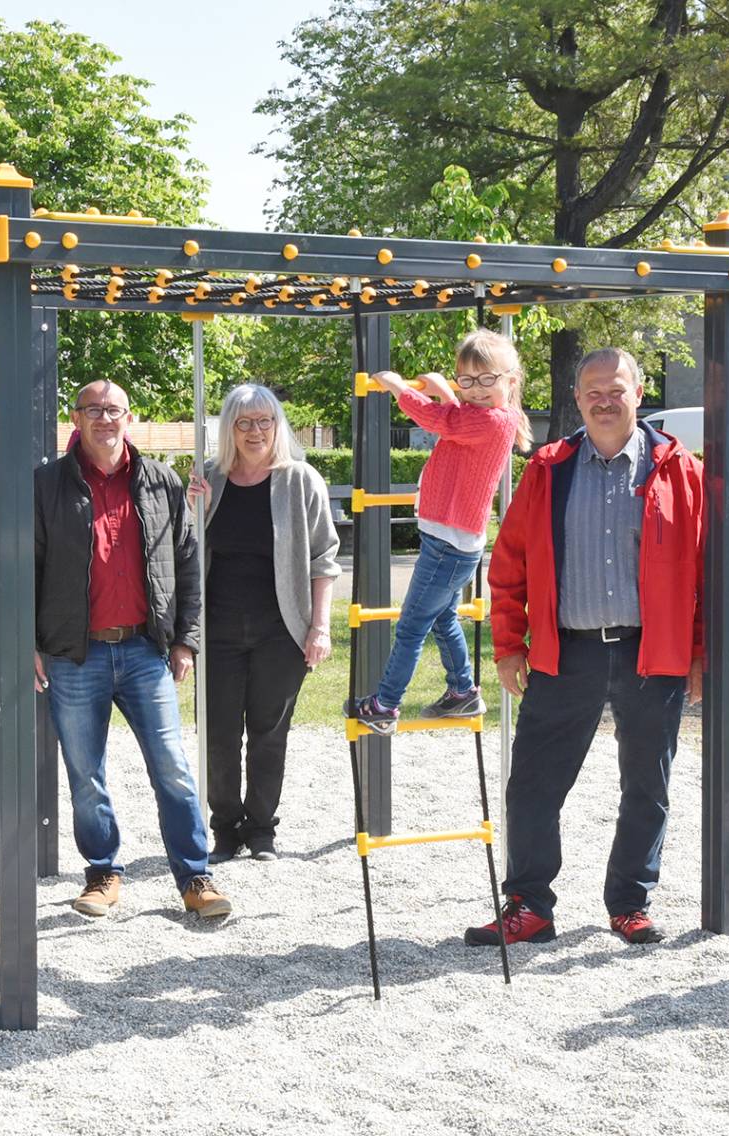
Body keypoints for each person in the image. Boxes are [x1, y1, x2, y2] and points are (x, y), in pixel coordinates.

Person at [466, 347, 705, 948]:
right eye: (592, 391)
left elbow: (705, 571)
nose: (604, 401)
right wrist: (508, 645)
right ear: (576, 398)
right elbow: (509, 564)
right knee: (532, 786)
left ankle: (630, 904)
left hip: (651, 654)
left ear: (639, 393)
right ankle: (529, 907)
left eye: (615, 389)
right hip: (564, 652)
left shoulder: (679, 470)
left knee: (646, 787)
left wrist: (699, 653)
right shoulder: (549, 469)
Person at [33, 380, 232, 920]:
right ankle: (102, 873)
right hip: (74, 655)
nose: (104, 418)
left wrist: (186, 639)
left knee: (173, 769)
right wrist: (31, 641)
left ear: (130, 418)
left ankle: (195, 878)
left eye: (113, 409)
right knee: (86, 776)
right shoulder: (47, 484)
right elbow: (29, 566)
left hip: (147, 650)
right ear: (76, 418)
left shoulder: (161, 480)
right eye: (93, 409)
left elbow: (188, 562)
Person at [345, 329, 532, 734]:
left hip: (449, 544)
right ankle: (462, 691)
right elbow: (456, 420)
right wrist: (445, 391)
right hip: (450, 540)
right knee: (443, 617)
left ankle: (385, 705)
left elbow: (442, 421)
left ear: (511, 380)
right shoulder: (485, 416)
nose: (476, 389)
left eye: (487, 379)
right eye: (467, 380)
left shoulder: (494, 420)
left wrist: (398, 388)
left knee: (411, 625)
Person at [188, 383, 340, 861]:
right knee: (218, 734)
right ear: (229, 429)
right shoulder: (209, 478)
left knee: (269, 734)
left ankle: (260, 830)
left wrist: (320, 627)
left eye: (264, 421)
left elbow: (324, 559)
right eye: (244, 423)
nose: (255, 431)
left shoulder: (301, 480)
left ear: (277, 425)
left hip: (280, 630)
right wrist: (195, 510)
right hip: (218, 630)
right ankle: (225, 828)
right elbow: (183, 549)